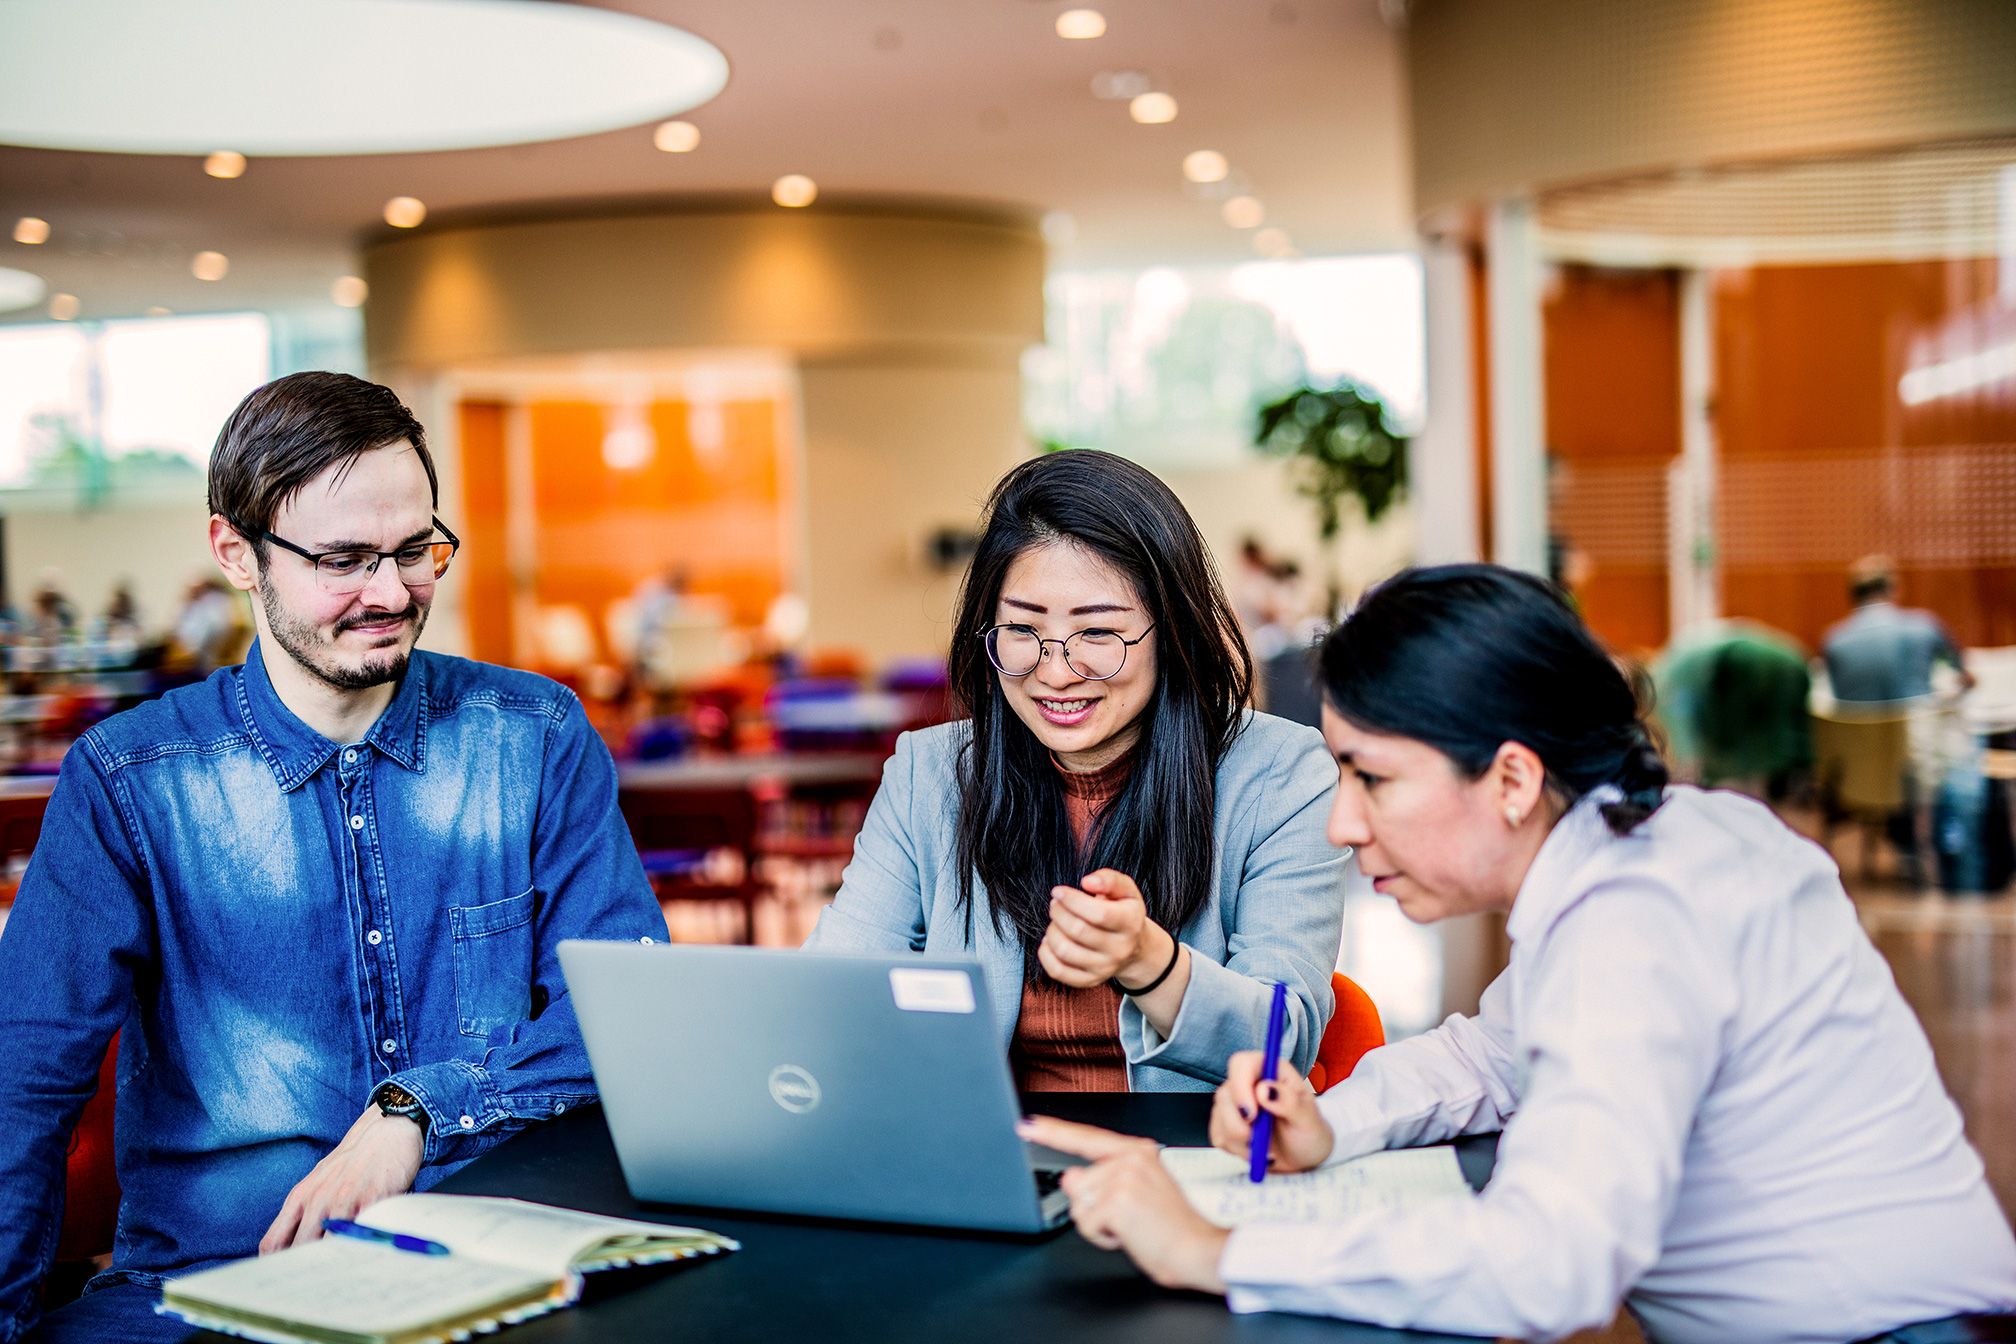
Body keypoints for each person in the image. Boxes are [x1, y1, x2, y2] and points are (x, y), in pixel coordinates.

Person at [1025, 564, 2016, 1342]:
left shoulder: (1639, 919)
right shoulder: (1643, 853)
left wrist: (1216, 1252)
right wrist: (1325, 1121)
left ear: (1511, 779)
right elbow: (1488, 1058)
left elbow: (1552, 1262)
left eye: (1373, 779)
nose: (1342, 824)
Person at [0, 372, 664, 1343]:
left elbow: (626, 1011)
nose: (390, 593)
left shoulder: (535, 737)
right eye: (344, 560)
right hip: (213, 1286)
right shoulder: (130, 781)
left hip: (495, 1272)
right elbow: (24, 1083)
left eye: (415, 550)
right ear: (236, 552)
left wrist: (416, 1113)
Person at [805, 450, 1346, 1091]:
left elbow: (1285, 1039)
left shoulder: (1280, 775)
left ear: (1172, 631)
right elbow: (832, 995)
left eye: (1097, 633)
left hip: (1191, 1144)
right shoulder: (931, 776)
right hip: (992, 1146)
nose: (1056, 672)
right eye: (1021, 628)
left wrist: (1151, 963)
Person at [1823, 554, 1974, 705]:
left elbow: (1839, 695)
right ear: (1893, 589)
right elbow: (1963, 675)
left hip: (1859, 721)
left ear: (1852, 595)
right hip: (1918, 718)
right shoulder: (1923, 625)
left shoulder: (1833, 640)